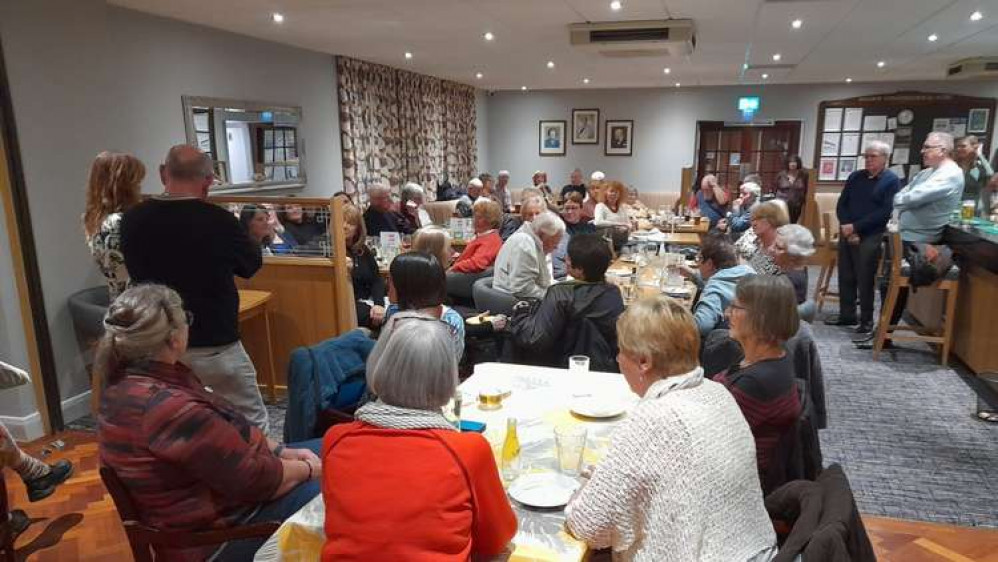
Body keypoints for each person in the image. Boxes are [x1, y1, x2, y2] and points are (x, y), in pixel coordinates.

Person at [96, 284, 321, 561]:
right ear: (174, 339)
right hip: (213, 540)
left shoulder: (126, 384)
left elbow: (234, 436)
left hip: (217, 503)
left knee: (336, 447)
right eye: (185, 319)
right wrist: (309, 469)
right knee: (340, 485)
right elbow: (257, 480)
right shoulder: (168, 408)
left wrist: (282, 452)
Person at [565, 296, 777, 562]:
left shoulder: (655, 418)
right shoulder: (717, 392)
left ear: (644, 362)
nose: (617, 358)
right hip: (754, 551)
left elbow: (588, 525)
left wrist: (580, 492)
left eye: (620, 350)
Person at [321, 314, 516, 561]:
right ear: (449, 377)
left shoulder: (336, 439)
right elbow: (496, 539)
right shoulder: (468, 450)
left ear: (380, 364)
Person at [121, 145, 269, 431]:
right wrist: (253, 236)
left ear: (163, 174)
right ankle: (256, 473)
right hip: (215, 341)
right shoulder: (220, 221)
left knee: (175, 422)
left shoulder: (132, 219)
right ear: (208, 181)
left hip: (158, 342)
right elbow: (249, 266)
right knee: (248, 421)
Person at [857, 131, 964, 350]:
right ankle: (883, 333)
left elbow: (909, 197)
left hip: (920, 240)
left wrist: (904, 200)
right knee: (887, 285)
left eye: (927, 147)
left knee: (892, 286)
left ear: (942, 150)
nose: (922, 151)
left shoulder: (951, 174)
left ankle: (884, 335)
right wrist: (904, 199)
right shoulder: (928, 173)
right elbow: (902, 195)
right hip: (904, 235)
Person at [715, 275, 802, 488]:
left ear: (761, 318)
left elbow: (710, 439)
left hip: (736, 485)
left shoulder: (756, 383)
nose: (727, 314)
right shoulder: (773, 357)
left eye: (735, 308)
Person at [509, 234, 625, 371]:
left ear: (580, 270)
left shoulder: (560, 294)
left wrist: (520, 314)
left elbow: (535, 339)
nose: (565, 259)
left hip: (563, 368)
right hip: (605, 368)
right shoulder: (613, 292)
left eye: (568, 258)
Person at [829, 141, 899, 333]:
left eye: (873, 156)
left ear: (885, 158)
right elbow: (842, 204)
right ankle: (847, 314)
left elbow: (885, 212)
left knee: (864, 277)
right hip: (848, 230)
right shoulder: (855, 177)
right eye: (866, 156)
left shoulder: (891, 180)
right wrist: (846, 226)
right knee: (846, 274)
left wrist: (856, 227)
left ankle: (866, 320)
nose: (868, 160)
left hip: (871, 234)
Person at [83, 151, 145, 299]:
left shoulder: (92, 218)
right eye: (136, 183)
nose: (139, 188)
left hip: (119, 301)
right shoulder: (120, 222)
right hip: (139, 306)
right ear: (124, 186)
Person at [385, 252, 466, 359]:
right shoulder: (394, 310)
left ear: (407, 286)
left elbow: (450, 364)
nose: (386, 284)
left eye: (391, 280)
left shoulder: (450, 321)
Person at [684, 233, 756, 337]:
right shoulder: (748, 272)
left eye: (699, 259)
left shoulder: (716, 287)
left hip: (726, 345)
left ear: (709, 263)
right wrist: (693, 275)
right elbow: (724, 286)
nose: (698, 264)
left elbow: (702, 326)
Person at [493, 210, 565, 299]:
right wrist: (554, 297)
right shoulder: (525, 244)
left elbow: (543, 282)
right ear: (544, 235)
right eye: (554, 243)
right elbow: (522, 289)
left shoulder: (529, 239)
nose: (556, 248)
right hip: (513, 303)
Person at [447, 199, 503, 302]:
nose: (474, 220)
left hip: (468, 280)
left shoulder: (491, 240)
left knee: (432, 278)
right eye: (474, 216)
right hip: (466, 276)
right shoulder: (484, 236)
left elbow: (477, 263)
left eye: (479, 218)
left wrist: (455, 267)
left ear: (491, 221)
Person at [342, 204, 386, 329]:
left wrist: (379, 304)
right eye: (342, 222)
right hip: (349, 304)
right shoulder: (329, 250)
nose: (345, 226)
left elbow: (376, 279)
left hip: (369, 301)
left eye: (350, 223)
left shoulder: (363, 250)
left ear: (358, 229)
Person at [735, 200, 789, 276]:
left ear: (773, 219)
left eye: (759, 218)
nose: (753, 223)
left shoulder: (781, 250)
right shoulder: (754, 238)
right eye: (753, 219)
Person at [553, 193, 597, 280]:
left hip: (588, 270)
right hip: (567, 274)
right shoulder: (558, 227)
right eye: (567, 208)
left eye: (574, 208)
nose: (570, 212)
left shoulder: (589, 227)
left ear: (581, 209)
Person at [771, 224, 815, 305]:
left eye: (778, 247)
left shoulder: (787, 282)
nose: (771, 249)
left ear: (793, 256)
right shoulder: (798, 270)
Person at [954, 135, 993, 215]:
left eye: (963, 146)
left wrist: (979, 154)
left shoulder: (975, 168)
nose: (959, 149)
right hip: (952, 207)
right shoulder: (953, 165)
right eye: (957, 146)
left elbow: (990, 175)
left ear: (974, 147)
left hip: (969, 209)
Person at [774, 154, 808, 224]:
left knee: (793, 223)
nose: (793, 164)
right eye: (791, 162)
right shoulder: (781, 175)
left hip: (797, 205)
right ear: (788, 164)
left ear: (798, 163)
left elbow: (806, 189)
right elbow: (775, 188)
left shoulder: (803, 175)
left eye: (794, 162)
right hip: (782, 204)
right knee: (782, 223)